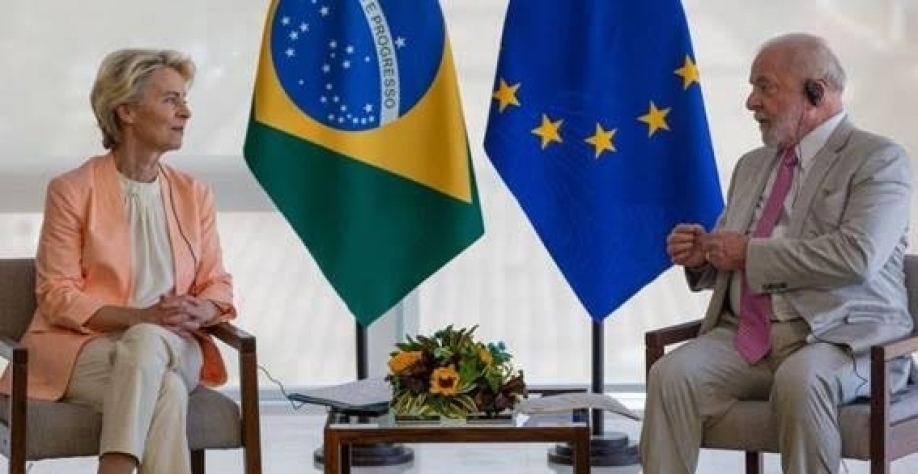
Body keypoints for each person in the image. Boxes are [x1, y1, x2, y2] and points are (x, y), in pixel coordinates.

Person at [639, 33, 913, 474]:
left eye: (765, 87)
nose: (751, 102)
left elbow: (856, 256)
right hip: (750, 337)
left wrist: (748, 253)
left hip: (844, 337)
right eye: (752, 87)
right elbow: (734, 253)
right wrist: (702, 257)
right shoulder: (753, 164)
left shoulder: (878, 159)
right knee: (671, 376)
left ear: (815, 93)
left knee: (800, 381)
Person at [2, 49, 236, 474]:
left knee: (148, 341)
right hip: (85, 350)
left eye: (184, 99)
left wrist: (203, 307)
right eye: (170, 99)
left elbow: (217, 282)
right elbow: (56, 296)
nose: (185, 112)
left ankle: (114, 467)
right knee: (165, 390)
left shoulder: (193, 193)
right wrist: (141, 315)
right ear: (126, 111)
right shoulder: (72, 190)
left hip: (177, 347)